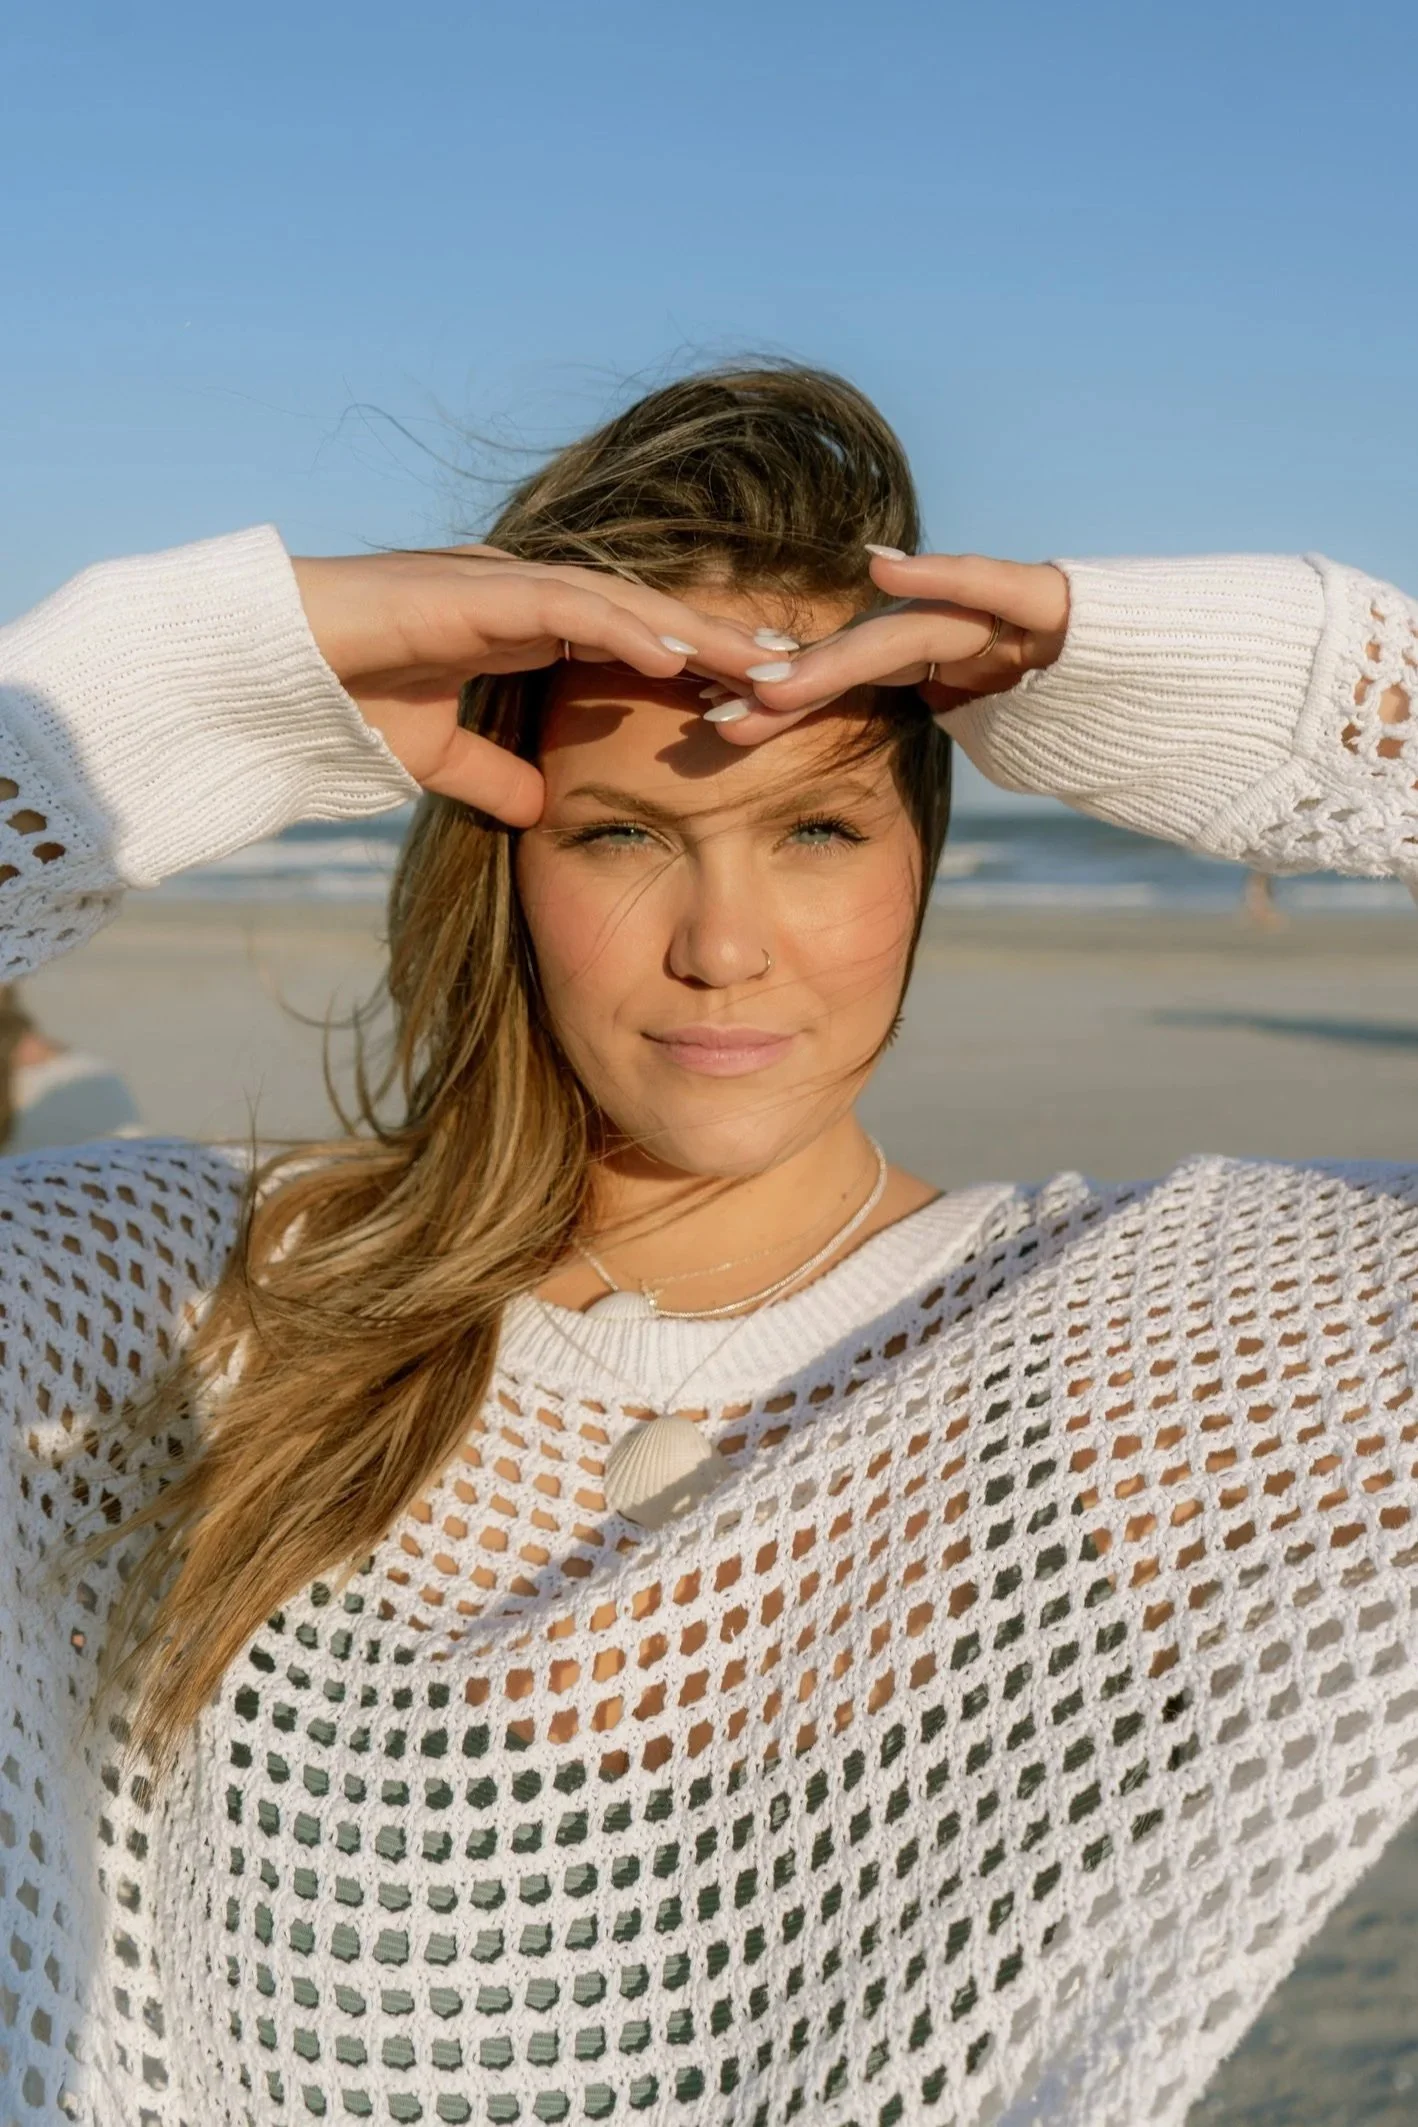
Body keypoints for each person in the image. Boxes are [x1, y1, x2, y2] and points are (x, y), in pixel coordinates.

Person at [1, 364, 1414, 2127]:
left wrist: (1193, 689)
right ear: (502, 860)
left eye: (817, 826)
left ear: (921, 850)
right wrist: (173, 692)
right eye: (621, 835)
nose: (724, 948)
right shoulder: (184, 1295)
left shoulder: (1169, 1355)